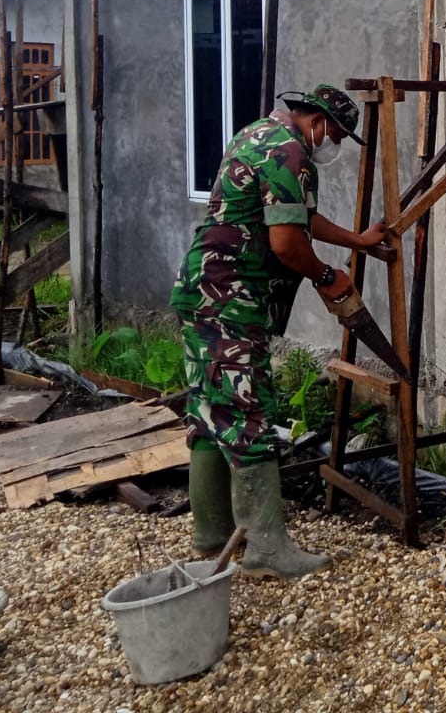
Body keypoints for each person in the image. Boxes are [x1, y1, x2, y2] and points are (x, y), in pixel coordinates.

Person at [170, 83, 389, 579]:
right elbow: (288, 243)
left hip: (201, 290)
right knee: (248, 411)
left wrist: (357, 241)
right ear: (316, 120)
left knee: (208, 407)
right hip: (231, 298)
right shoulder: (292, 153)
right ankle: (268, 550)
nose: (332, 143)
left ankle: (211, 533)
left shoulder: (257, 135)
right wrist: (328, 276)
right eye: (334, 132)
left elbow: (300, 217)